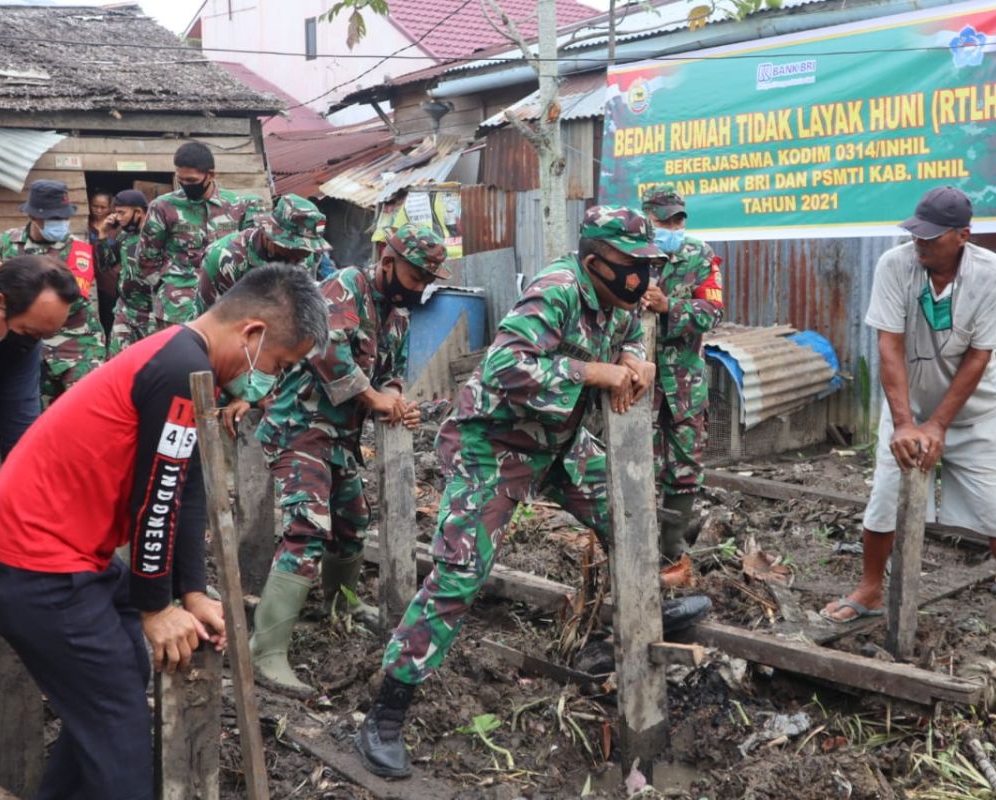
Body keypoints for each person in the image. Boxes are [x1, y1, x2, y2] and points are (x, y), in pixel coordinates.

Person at [356, 207, 711, 778]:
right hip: (494, 443)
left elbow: (624, 345)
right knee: (460, 573)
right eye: (633, 266)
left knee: (629, 519)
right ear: (596, 262)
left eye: (650, 266)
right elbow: (505, 367)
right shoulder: (559, 290)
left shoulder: (614, 300)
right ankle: (387, 711)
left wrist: (632, 359)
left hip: (560, 442)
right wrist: (592, 373)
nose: (643, 278)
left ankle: (645, 612)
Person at [0, 264, 328, 800]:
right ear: (252, 334)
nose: (270, 379)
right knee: (119, 725)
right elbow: (155, 501)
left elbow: (188, 483)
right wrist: (156, 609)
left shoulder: (187, 358)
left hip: (62, 555)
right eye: (279, 363)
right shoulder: (180, 367)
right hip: (34, 562)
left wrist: (191, 592)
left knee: (116, 688)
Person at [818, 187, 996, 645]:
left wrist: (939, 425)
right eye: (915, 233)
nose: (919, 242)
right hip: (908, 407)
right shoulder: (895, 265)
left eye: (931, 237)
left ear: (963, 235)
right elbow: (889, 346)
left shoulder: (995, 276)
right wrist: (905, 422)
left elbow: (980, 357)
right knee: (884, 499)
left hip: (974, 414)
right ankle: (869, 589)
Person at [246, 223, 445, 698]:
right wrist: (372, 396)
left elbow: (393, 372)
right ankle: (266, 652)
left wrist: (396, 398)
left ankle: (340, 602)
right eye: (414, 276)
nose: (419, 287)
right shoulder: (345, 286)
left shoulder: (397, 316)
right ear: (388, 260)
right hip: (300, 426)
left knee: (353, 520)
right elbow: (326, 350)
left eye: (426, 280)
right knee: (308, 525)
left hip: (338, 436)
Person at [639, 185, 724, 558]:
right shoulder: (629, 254)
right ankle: (634, 542)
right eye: (664, 220)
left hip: (685, 384)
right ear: (647, 219)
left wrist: (668, 306)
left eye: (678, 219)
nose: (672, 226)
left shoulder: (699, 256)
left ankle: (671, 544)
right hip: (637, 383)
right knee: (637, 461)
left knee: (686, 464)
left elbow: (712, 312)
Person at [0, 255, 77, 526]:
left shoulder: (20, 340)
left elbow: (20, 429)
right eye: (28, 333)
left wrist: (34, 519)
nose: (31, 344)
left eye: (41, 337)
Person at [0, 180, 106, 406]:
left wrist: (11, 279)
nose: (61, 224)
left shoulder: (78, 249)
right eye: (54, 219)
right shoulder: (7, 242)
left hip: (77, 346)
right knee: (34, 418)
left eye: (64, 218)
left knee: (86, 408)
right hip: (26, 346)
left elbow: (71, 299)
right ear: (33, 216)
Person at [137, 141, 263, 337]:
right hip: (177, 310)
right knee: (178, 365)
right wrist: (166, 285)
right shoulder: (163, 207)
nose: (186, 185)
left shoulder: (239, 207)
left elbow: (252, 255)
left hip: (226, 308)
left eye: (192, 180)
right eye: (181, 180)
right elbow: (146, 257)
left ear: (211, 175)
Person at [197, 193, 332, 312]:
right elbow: (208, 322)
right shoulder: (223, 259)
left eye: (307, 250)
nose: (301, 257)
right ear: (269, 235)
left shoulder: (304, 255)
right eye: (294, 248)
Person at [97, 189, 149, 346]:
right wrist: (103, 235)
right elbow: (106, 264)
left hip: (153, 314)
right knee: (117, 360)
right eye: (116, 213)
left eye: (121, 213)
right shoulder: (124, 236)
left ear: (138, 212)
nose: (117, 218)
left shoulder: (157, 235)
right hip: (126, 311)